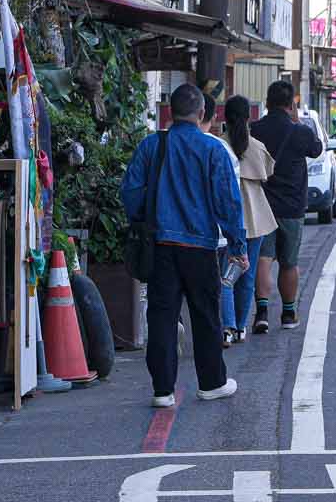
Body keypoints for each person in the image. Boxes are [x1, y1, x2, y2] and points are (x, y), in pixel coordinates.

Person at [119, 83, 245, 407]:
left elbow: (130, 191)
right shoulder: (213, 150)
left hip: (160, 244)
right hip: (201, 246)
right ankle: (212, 382)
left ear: (169, 112)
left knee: (162, 316)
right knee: (205, 316)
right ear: (204, 113)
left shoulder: (151, 146)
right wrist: (237, 243)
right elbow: (228, 202)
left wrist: (145, 216)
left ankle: (163, 390)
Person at [249, 79, 324, 333]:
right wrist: (298, 121)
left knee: (263, 259)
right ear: (291, 104)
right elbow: (317, 149)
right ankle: (289, 314)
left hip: (262, 205)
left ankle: (261, 313)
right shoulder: (299, 131)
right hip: (292, 206)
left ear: (267, 103)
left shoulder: (255, 129)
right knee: (289, 262)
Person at [219, 95, 276, 346]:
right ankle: (241, 326)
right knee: (247, 274)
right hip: (256, 217)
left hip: (225, 219)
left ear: (224, 117)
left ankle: (227, 327)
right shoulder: (258, 147)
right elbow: (268, 173)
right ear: (248, 117)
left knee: (225, 276)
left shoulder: (218, 145)